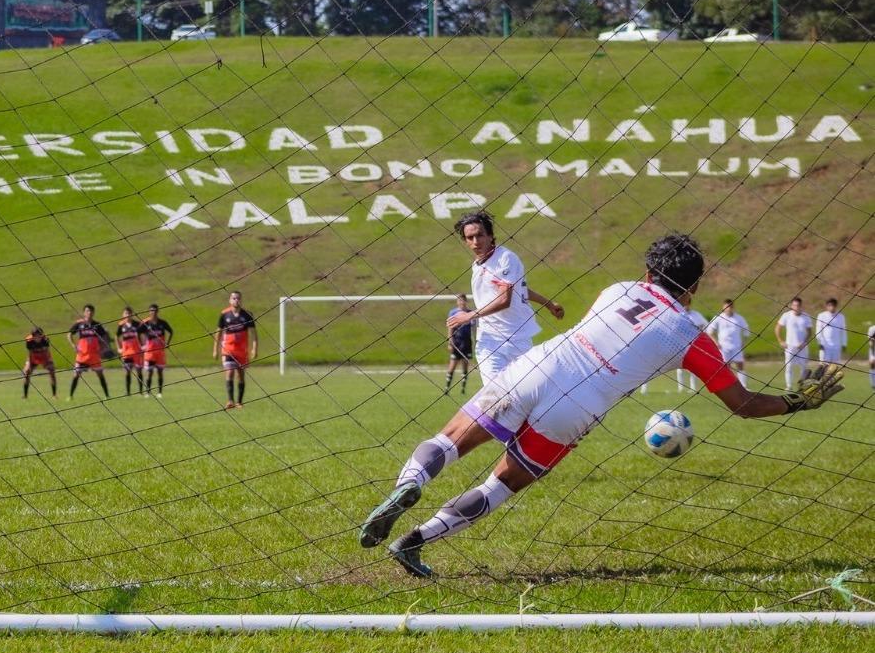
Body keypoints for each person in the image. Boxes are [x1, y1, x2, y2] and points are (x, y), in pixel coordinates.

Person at [359, 234, 845, 579]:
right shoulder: (692, 338)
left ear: (647, 273)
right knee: (501, 483)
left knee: (451, 439)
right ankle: (414, 542)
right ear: (693, 289)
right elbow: (741, 404)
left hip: (540, 367)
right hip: (578, 410)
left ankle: (408, 485)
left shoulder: (618, 289)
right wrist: (797, 401)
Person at [445, 211, 564, 381]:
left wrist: (469, 316)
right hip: (489, 341)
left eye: (480, 235)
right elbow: (521, 290)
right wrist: (549, 304)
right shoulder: (477, 266)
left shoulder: (505, 258)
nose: (475, 241)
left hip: (518, 338)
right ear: (465, 241)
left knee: (525, 396)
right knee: (494, 396)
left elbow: (504, 300)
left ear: (490, 235)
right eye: (470, 238)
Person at [215, 290, 257, 410]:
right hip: (228, 349)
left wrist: (254, 348)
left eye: (238, 298)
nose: (236, 300)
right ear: (230, 300)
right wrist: (215, 349)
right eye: (233, 298)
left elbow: (254, 334)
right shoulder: (224, 314)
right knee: (229, 372)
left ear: (241, 300)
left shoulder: (247, 315)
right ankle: (230, 400)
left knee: (240, 376)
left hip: (242, 351)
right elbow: (218, 332)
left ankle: (239, 402)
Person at [68, 305, 111, 400]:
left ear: (93, 312)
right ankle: (70, 396)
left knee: (100, 375)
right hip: (82, 355)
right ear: (84, 312)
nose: (89, 312)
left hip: (94, 355)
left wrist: (103, 348)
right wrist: (73, 345)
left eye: (91, 311)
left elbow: (104, 337)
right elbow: (69, 334)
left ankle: (107, 395)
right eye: (87, 311)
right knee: (76, 375)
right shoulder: (79, 324)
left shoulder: (97, 325)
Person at [706, 300, 751, 388]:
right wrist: (716, 342)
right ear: (723, 308)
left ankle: (744, 386)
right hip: (723, 347)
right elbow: (710, 331)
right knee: (726, 366)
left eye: (729, 307)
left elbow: (746, 330)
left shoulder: (739, 318)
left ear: (733, 307)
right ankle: (729, 385)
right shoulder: (718, 318)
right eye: (726, 307)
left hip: (737, 346)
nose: (728, 309)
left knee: (740, 365)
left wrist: (744, 342)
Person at [775, 297, 813, 389]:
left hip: (802, 346)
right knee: (789, 366)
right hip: (789, 346)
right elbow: (777, 328)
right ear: (791, 306)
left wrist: (804, 342)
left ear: (801, 306)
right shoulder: (786, 315)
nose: (796, 307)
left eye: (798, 305)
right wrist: (781, 341)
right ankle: (789, 386)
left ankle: (802, 385)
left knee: (803, 366)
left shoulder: (806, 317)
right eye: (794, 305)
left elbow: (809, 332)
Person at [140, 303, 174, 398]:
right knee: (149, 372)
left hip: (160, 351)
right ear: (149, 312)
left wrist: (167, 343)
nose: (153, 312)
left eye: (154, 310)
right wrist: (142, 345)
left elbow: (171, 331)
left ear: (157, 311)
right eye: (151, 310)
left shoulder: (162, 323)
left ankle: (160, 392)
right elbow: (138, 332)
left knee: (160, 372)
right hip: (149, 352)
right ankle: (148, 392)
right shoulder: (146, 323)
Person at [444, 294, 475, 395]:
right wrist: (450, 341)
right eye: (459, 300)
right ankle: (447, 388)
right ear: (457, 302)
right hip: (457, 341)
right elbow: (450, 327)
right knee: (452, 365)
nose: (461, 302)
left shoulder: (471, 313)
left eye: (463, 300)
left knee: (465, 366)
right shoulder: (453, 312)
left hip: (467, 342)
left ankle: (463, 389)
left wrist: (475, 340)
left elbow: (473, 328)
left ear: (466, 301)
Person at [676, 305, 708, 391]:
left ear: (689, 304)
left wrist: (700, 332)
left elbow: (705, 325)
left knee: (693, 367)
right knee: (679, 367)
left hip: (694, 345)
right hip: (681, 344)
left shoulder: (696, 315)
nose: (685, 307)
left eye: (687, 305)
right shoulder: (678, 314)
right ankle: (681, 388)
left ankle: (693, 388)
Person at [116, 307, 146, 396]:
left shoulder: (137, 324)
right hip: (126, 352)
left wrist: (143, 346)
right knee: (127, 371)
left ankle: (141, 392)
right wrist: (119, 348)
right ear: (123, 315)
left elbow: (143, 334)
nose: (127, 315)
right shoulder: (121, 325)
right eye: (126, 313)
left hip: (137, 351)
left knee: (139, 371)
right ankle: (128, 392)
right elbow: (116, 336)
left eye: (129, 313)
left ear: (132, 314)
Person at [23, 326, 57, 399]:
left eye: (39, 335)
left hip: (44, 357)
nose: (38, 337)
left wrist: (49, 361)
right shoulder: (29, 341)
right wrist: (29, 363)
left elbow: (47, 351)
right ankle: (25, 395)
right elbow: (30, 353)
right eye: (36, 335)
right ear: (33, 335)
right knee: (26, 372)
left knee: (52, 371)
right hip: (33, 357)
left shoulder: (45, 340)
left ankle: (54, 395)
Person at [814, 299, 847, 364]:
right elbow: (818, 330)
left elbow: (843, 331)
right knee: (823, 366)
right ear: (827, 306)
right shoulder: (821, 316)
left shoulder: (841, 317)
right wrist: (820, 343)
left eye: (833, 305)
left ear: (836, 306)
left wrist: (844, 343)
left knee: (834, 367)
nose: (831, 307)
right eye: (829, 305)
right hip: (825, 346)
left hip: (836, 346)